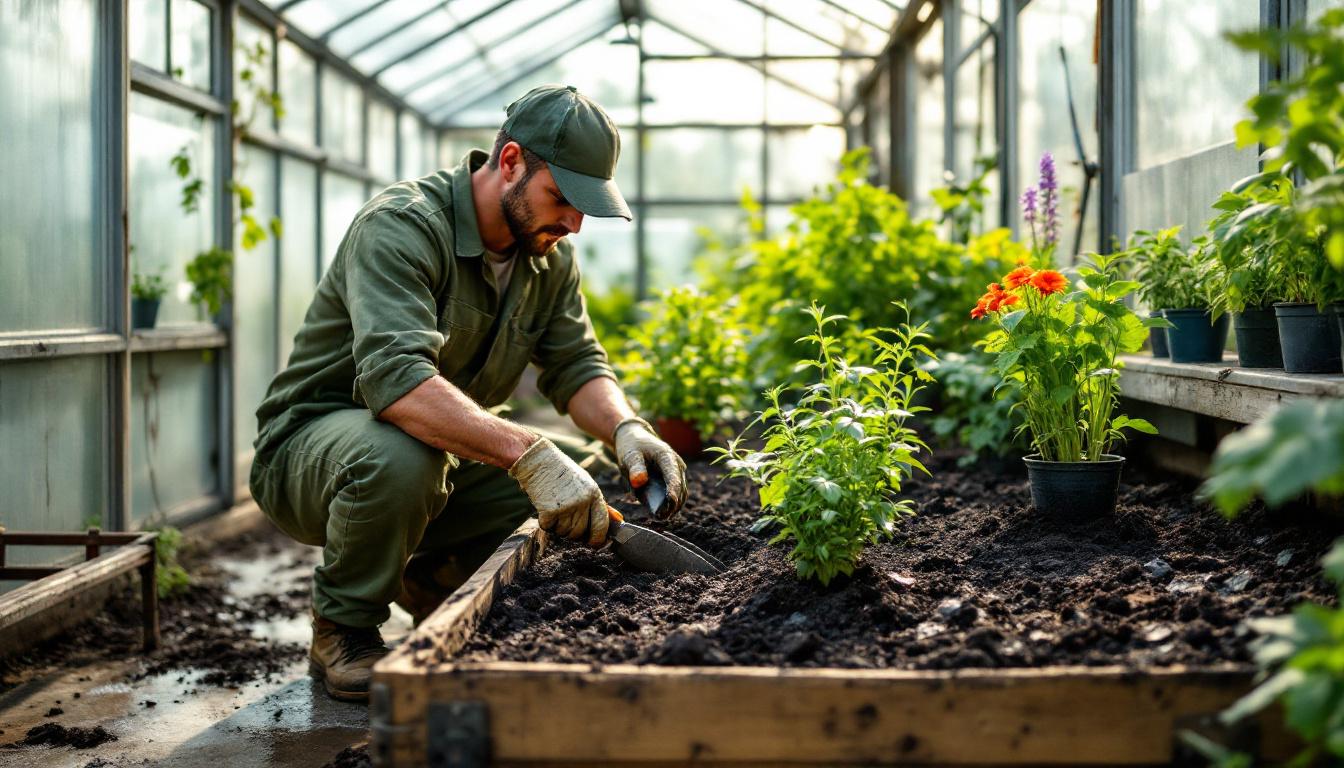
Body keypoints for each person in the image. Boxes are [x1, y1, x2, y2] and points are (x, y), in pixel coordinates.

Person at [248, 85, 688, 702]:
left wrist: (626, 429)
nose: (573, 223)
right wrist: (527, 453)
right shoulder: (402, 227)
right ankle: (343, 630)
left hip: (432, 452)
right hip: (314, 450)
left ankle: (436, 584)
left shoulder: (547, 258)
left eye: (586, 208)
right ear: (509, 163)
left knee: (583, 472)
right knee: (403, 459)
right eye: (561, 198)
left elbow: (576, 364)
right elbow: (398, 384)